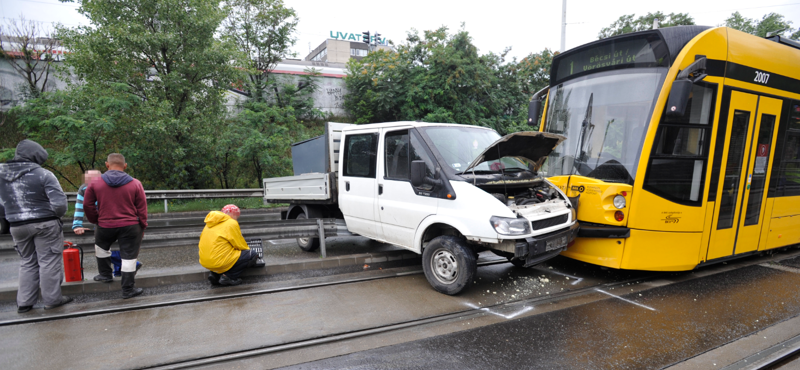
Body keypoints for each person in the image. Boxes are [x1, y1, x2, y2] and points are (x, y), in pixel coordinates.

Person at [0, 139, 72, 313]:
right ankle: (53, 300)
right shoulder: (43, 174)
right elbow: (60, 204)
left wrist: (12, 214)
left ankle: (24, 302)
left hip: (16, 225)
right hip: (44, 223)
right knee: (48, 261)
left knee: (27, 261)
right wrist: (53, 216)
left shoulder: (1, 173)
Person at [84, 153, 147, 299]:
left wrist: (96, 220)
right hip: (130, 226)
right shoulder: (135, 183)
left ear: (107, 165)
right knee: (129, 257)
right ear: (125, 166)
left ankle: (105, 275)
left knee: (101, 249)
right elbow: (142, 208)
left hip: (105, 225)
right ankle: (128, 290)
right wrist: (142, 225)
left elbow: (87, 204)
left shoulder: (95, 183)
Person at [198, 204, 259, 286]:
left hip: (205, 261)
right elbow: (239, 244)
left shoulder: (210, 223)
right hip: (219, 261)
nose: (237, 219)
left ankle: (215, 275)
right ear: (233, 214)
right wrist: (249, 252)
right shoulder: (231, 222)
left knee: (221, 253)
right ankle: (228, 277)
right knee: (251, 255)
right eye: (237, 217)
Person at [72, 169, 102, 235]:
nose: (90, 183)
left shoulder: (106, 188)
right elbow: (79, 207)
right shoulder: (84, 189)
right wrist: (77, 225)